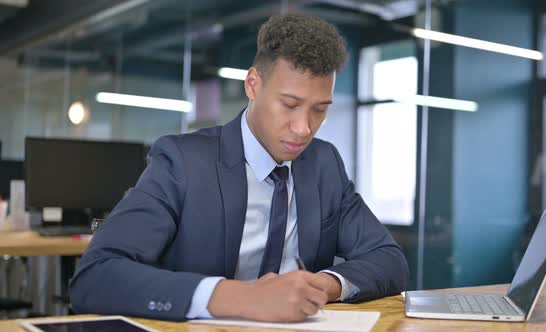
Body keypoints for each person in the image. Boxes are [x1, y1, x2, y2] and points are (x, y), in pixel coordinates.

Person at [69, 14, 408, 322]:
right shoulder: (182, 162)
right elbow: (96, 276)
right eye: (289, 105)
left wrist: (321, 285)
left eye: (320, 109)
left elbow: (388, 259)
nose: (304, 127)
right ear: (253, 85)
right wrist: (243, 298)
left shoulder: (324, 164)